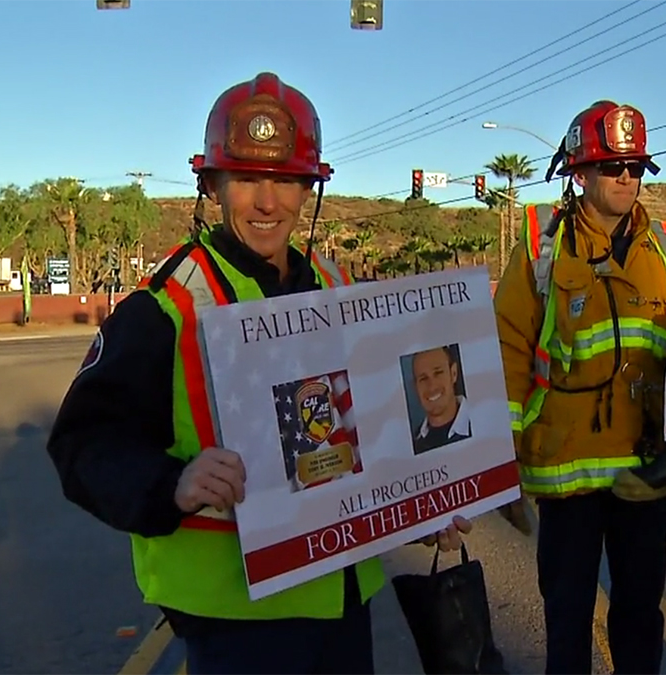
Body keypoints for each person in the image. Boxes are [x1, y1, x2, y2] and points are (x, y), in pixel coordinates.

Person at [45, 72, 470, 675]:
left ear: (308, 189)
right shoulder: (165, 307)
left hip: (341, 602)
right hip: (237, 623)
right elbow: (82, 445)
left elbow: (372, 434)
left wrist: (421, 503)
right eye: (245, 179)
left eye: (284, 180)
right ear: (213, 185)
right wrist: (172, 483)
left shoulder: (337, 287)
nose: (267, 202)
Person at [493, 99, 666, 674]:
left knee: (640, 615)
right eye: (612, 167)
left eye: (635, 168)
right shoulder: (541, 252)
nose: (626, 178)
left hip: (645, 476)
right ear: (581, 172)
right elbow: (508, 353)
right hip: (565, 477)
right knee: (568, 621)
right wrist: (501, 470)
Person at [410, 345, 472, 453]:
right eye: (423, 378)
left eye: (438, 373)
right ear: (415, 387)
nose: (432, 386)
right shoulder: (413, 443)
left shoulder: (487, 417)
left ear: (453, 373)